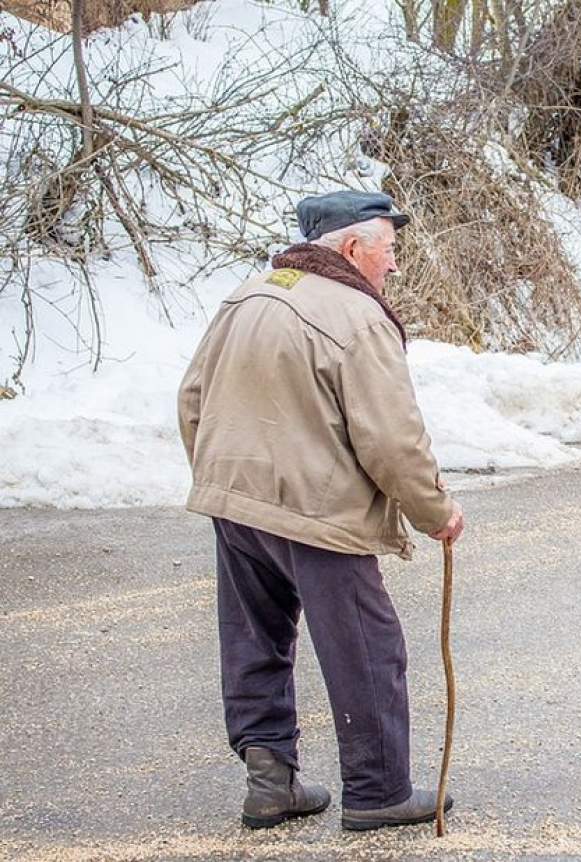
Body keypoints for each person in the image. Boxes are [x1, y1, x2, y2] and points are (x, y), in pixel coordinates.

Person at [177, 190, 464, 832]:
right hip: (315, 511)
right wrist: (434, 510)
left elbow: (192, 397)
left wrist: (222, 476)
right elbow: (392, 438)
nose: (393, 266)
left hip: (236, 500)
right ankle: (380, 792)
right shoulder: (357, 316)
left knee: (255, 640)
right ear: (354, 247)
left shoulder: (246, 295)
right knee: (367, 647)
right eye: (389, 250)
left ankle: (271, 783)